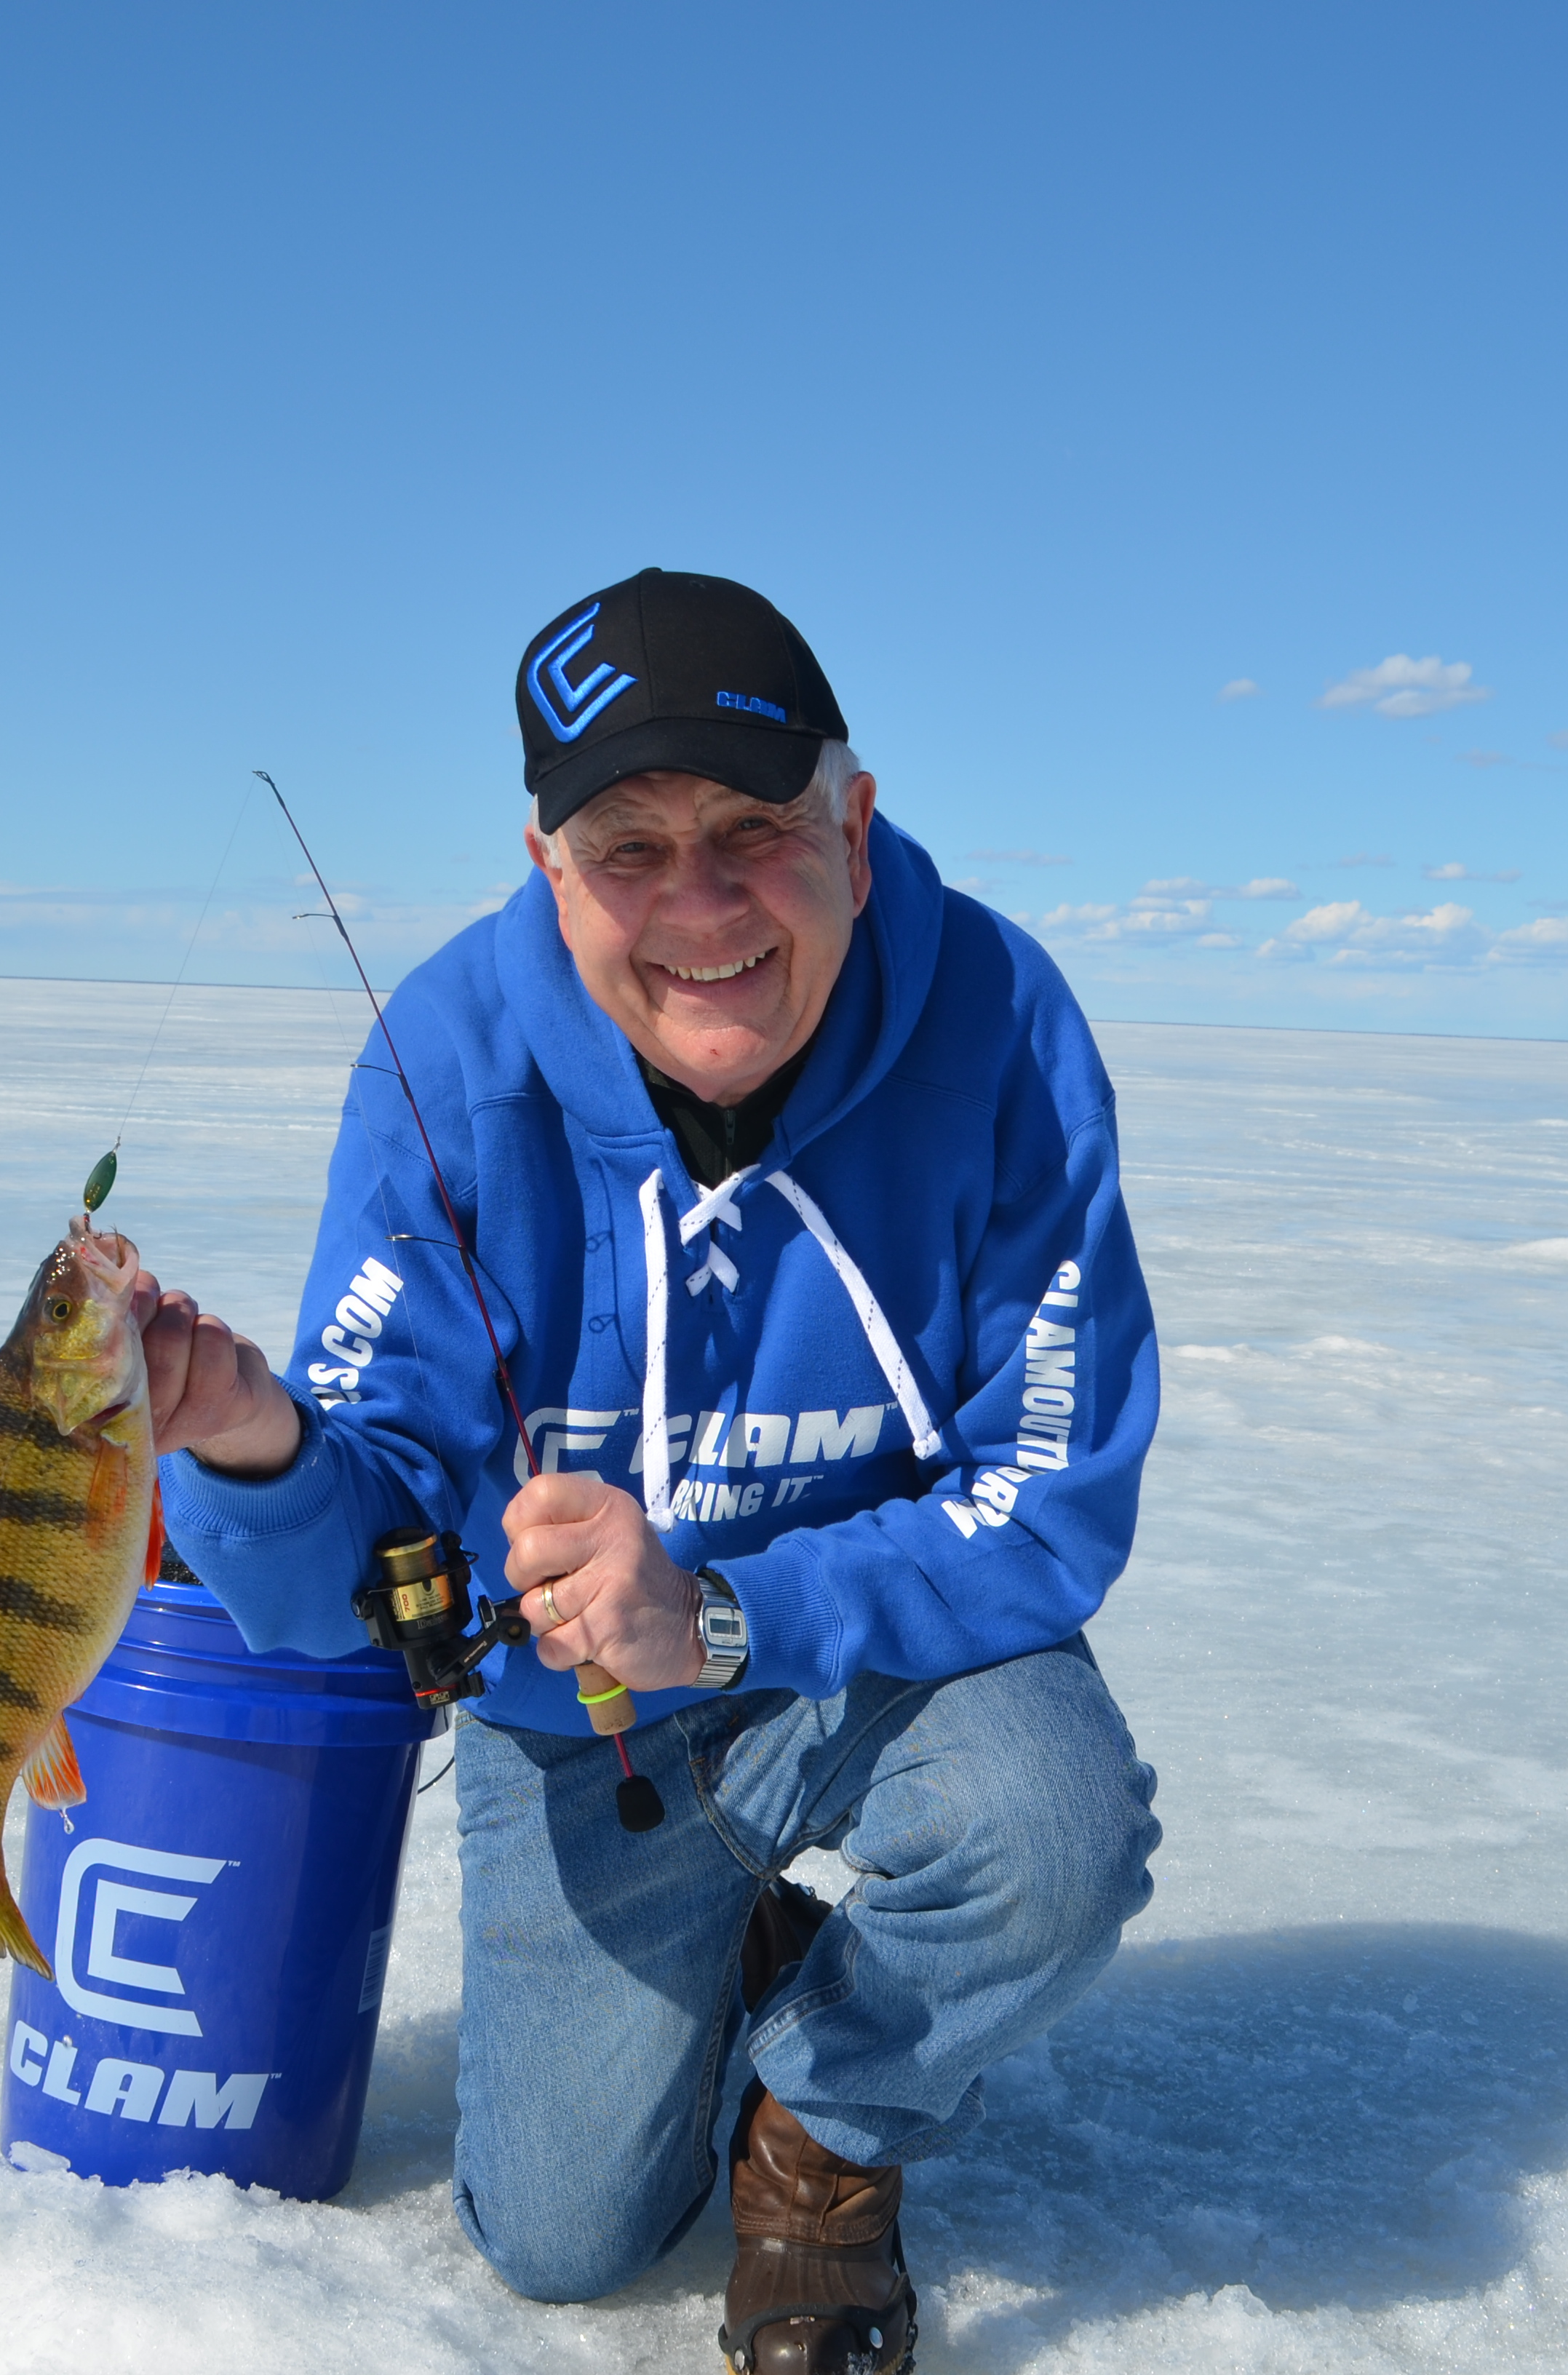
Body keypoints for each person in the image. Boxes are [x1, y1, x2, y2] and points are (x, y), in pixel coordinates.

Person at [133, 566, 1161, 2375]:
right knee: (558, 2249)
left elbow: (1048, 1491)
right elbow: (337, 1585)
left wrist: (732, 1612)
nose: (699, 905)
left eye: (752, 830)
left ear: (854, 821)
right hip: (569, 1723)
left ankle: (829, 2132)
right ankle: (747, 1941)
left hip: (863, 1669)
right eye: (628, 848)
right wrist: (252, 1446)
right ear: (547, 865)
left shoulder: (999, 1025)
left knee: (1048, 1830)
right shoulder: (446, 1063)